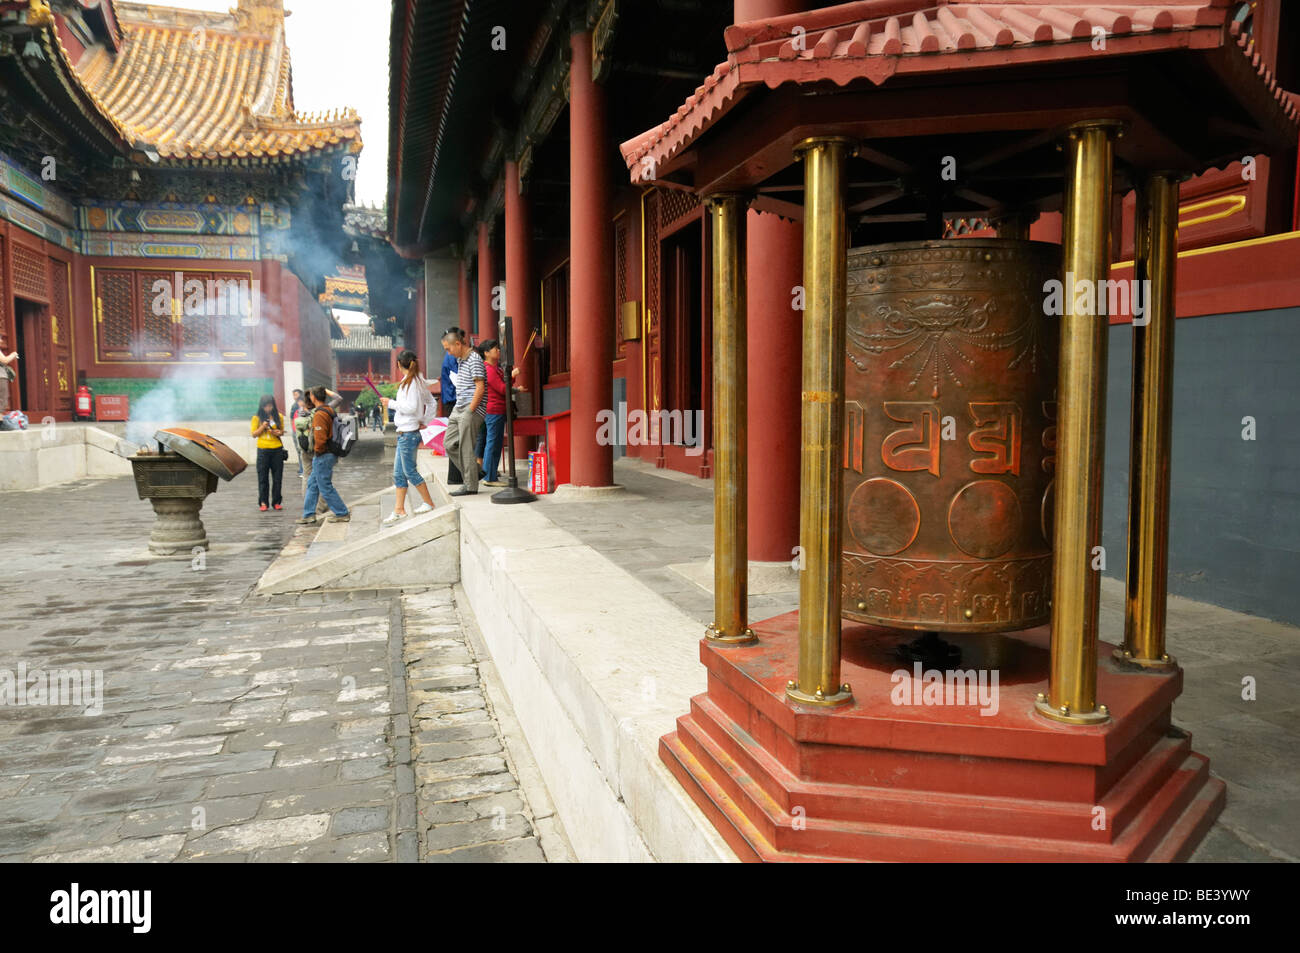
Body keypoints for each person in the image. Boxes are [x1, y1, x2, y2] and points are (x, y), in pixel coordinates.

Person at [379, 350, 438, 524]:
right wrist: (425, 420)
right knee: (399, 474)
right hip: (406, 432)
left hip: (408, 433)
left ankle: (428, 502)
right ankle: (399, 509)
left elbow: (411, 407)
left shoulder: (412, 382)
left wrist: (391, 403)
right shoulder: (417, 381)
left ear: (399, 364)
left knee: (409, 471)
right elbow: (431, 403)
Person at [442, 328, 485, 497]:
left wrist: (470, 410)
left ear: (458, 344)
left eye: (448, 348)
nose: (448, 352)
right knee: (449, 443)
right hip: (458, 408)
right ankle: (475, 472)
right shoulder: (461, 360)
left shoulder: (474, 359)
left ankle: (470, 485)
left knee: (466, 448)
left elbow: (480, 388)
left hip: (470, 409)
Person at [298, 386, 350, 524]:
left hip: (323, 454)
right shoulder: (329, 409)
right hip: (327, 453)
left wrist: (317, 452)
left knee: (325, 486)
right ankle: (308, 514)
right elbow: (338, 398)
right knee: (312, 484)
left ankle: (342, 512)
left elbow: (320, 439)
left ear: (314, 397)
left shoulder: (320, 414)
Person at [474, 339, 520, 488]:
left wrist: (511, 377)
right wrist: (512, 375)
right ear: (486, 353)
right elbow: (502, 388)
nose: (498, 351)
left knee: (494, 443)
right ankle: (489, 476)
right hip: (493, 410)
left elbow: (505, 384)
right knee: (493, 443)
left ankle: (491, 473)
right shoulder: (488, 369)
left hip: (497, 410)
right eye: (495, 349)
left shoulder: (495, 368)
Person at [250, 395, 288, 511]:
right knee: (263, 478)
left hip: (276, 449)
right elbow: (254, 434)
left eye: (270, 406)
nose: (268, 408)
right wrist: (262, 426)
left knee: (277, 477)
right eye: (266, 406)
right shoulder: (256, 418)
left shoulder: (279, 417)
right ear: (262, 407)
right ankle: (263, 502)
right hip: (263, 450)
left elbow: (281, 431)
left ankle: (276, 502)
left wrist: (278, 432)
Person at [440, 329, 462, 485]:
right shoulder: (451, 357)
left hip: (450, 400)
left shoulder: (450, 357)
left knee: (456, 440)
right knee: (456, 440)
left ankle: (456, 476)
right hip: (454, 400)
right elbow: (458, 380)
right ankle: (456, 476)